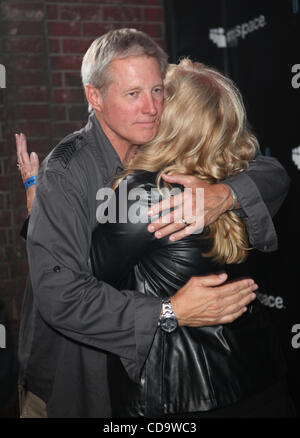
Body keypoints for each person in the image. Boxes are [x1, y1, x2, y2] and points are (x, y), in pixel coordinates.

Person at [16, 29, 289, 418]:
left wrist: (224, 194)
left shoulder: (165, 152)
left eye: (158, 91)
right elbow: (63, 292)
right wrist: (169, 312)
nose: (151, 108)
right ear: (95, 97)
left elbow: (272, 171)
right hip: (76, 370)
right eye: (132, 94)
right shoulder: (68, 170)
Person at [89, 59, 295, 417]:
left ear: (169, 118)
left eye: (156, 96)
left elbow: (81, 284)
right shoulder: (235, 178)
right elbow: (277, 172)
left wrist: (42, 215)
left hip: (181, 395)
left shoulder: (145, 193)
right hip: (259, 380)